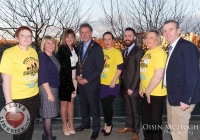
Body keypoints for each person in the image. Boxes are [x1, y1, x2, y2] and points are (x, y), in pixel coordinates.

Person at [0, 26, 40, 140]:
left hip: (33, 95)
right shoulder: (9, 53)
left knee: (30, 126)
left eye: (29, 36)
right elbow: (6, 80)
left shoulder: (33, 51)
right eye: (23, 35)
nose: (26, 38)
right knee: (19, 130)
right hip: (18, 98)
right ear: (17, 38)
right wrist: (9, 102)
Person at [163, 20, 200, 140]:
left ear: (178, 31)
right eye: (165, 31)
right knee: (173, 128)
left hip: (182, 98)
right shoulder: (172, 48)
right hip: (173, 96)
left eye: (171, 29)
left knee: (178, 132)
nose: (167, 33)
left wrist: (186, 99)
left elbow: (192, 75)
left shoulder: (187, 47)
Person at [75, 23, 104, 140]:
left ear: (91, 33)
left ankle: (96, 129)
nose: (84, 34)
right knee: (83, 105)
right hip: (80, 82)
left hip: (91, 83)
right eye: (82, 32)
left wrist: (87, 80)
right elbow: (77, 63)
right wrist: (77, 76)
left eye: (86, 32)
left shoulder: (97, 47)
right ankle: (85, 123)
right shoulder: (79, 46)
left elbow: (99, 68)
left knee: (94, 107)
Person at [117, 27, 144, 140]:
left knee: (135, 110)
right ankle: (128, 126)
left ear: (134, 37)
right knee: (128, 108)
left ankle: (136, 131)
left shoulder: (139, 51)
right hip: (123, 86)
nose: (127, 38)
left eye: (129, 36)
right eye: (125, 36)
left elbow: (139, 71)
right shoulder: (123, 51)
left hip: (133, 88)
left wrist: (132, 88)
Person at [139, 30, 167, 140]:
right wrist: (141, 87)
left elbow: (158, 76)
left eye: (151, 37)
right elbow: (144, 71)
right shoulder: (147, 52)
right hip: (146, 92)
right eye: (147, 37)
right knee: (146, 120)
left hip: (155, 93)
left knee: (155, 122)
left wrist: (148, 91)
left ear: (157, 40)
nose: (148, 40)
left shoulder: (160, 53)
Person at [100, 32, 123, 136]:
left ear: (113, 40)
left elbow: (120, 68)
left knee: (107, 104)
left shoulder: (116, 52)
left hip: (111, 84)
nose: (107, 41)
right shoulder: (101, 52)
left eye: (109, 39)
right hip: (101, 84)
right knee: (104, 106)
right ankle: (106, 123)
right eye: (105, 39)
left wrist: (114, 80)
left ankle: (109, 125)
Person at [57, 29, 78, 135]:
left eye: (72, 37)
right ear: (64, 38)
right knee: (64, 103)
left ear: (74, 38)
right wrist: (67, 81)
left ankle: (71, 124)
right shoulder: (62, 49)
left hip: (74, 80)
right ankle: (64, 124)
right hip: (65, 80)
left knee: (71, 102)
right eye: (67, 37)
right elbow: (62, 68)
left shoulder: (75, 49)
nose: (70, 39)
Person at [38, 36, 60, 140]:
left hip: (53, 87)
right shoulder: (42, 56)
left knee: (49, 113)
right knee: (48, 115)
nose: (51, 45)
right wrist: (49, 93)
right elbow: (43, 76)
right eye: (48, 43)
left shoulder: (52, 55)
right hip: (47, 88)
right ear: (43, 45)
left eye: (53, 43)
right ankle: (49, 137)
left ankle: (45, 134)